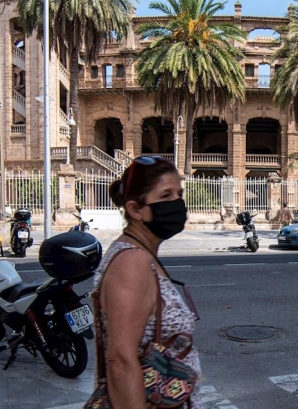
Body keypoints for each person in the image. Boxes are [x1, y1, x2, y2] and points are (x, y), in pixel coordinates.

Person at [92, 156, 201, 407]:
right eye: (165, 196)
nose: (177, 204)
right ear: (135, 209)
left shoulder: (141, 253)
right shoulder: (132, 262)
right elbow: (120, 359)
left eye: (178, 194)